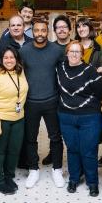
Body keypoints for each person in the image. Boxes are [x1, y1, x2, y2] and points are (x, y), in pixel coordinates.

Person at [19, 19, 67, 187]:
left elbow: (64, 73)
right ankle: (33, 169)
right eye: (37, 31)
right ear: (33, 32)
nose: (40, 34)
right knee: (30, 138)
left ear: (48, 32)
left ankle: (57, 169)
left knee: (55, 137)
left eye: (43, 30)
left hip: (51, 100)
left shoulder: (56, 50)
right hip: (30, 102)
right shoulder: (24, 51)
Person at [57, 40, 102, 196]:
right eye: (71, 51)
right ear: (67, 53)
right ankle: (74, 179)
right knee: (72, 149)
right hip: (66, 116)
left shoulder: (90, 70)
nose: (74, 54)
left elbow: (100, 91)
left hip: (89, 117)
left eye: (77, 51)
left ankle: (92, 182)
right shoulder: (60, 68)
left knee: (89, 150)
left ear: (82, 54)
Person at [0, 48, 29, 194]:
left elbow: (22, 93)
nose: (9, 60)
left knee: (14, 150)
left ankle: (9, 177)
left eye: (12, 57)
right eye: (6, 57)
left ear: (16, 59)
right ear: (1, 59)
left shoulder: (20, 72)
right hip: (1, 118)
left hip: (18, 118)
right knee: (0, 151)